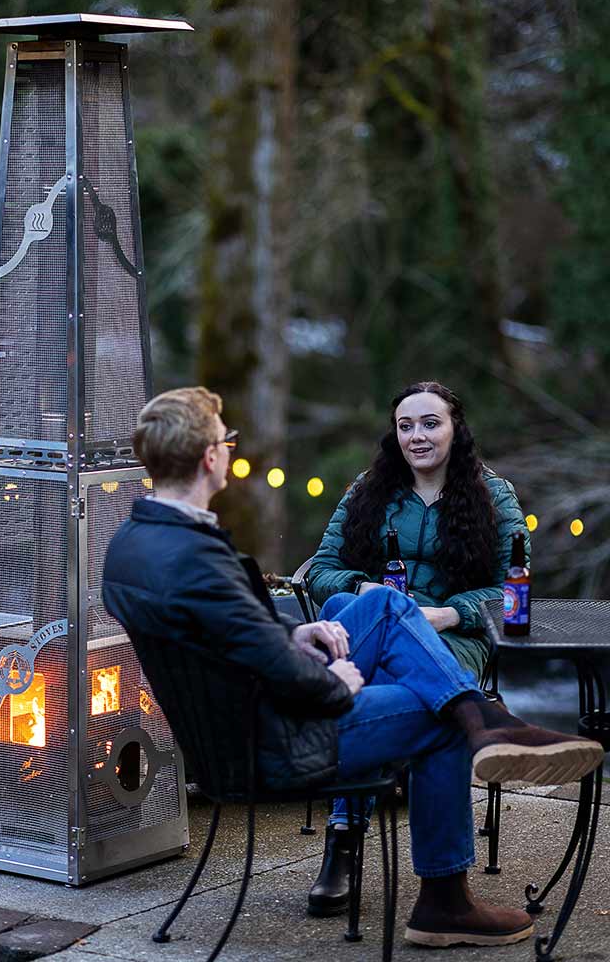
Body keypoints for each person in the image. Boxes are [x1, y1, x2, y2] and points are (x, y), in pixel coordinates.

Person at [102, 386, 602, 948]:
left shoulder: (135, 545)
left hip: (237, 731)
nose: (417, 436)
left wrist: (297, 631)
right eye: (227, 440)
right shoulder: (202, 556)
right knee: (437, 711)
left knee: (382, 609)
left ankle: (474, 727)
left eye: (430, 424)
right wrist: (329, 682)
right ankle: (446, 891)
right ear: (211, 458)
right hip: (281, 739)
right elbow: (268, 651)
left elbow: (231, 637)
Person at [306, 380, 531, 916]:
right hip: (381, 629)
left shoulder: (492, 496)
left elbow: (514, 585)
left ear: (456, 429)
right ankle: (398, 861)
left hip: (454, 637)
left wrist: (448, 612)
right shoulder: (369, 490)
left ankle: (346, 839)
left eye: (430, 423)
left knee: (390, 685)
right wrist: (374, 596)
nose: (416, 436)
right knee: (380, 666)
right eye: (405, 426)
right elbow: (320, 570)